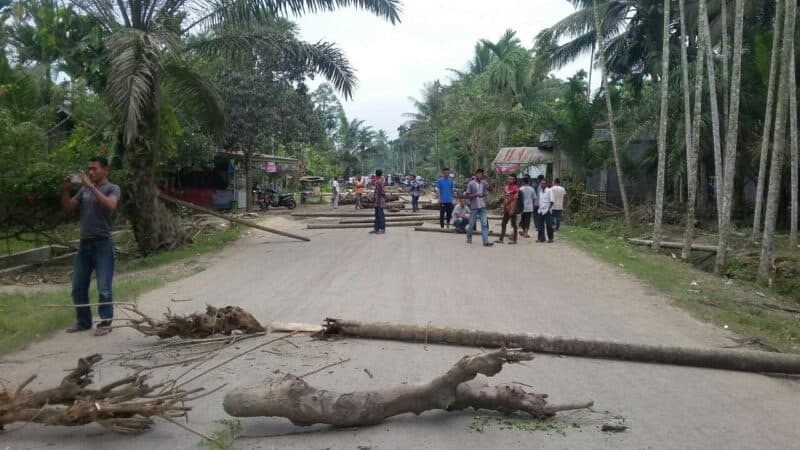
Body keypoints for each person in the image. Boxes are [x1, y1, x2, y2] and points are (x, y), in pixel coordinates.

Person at [61, 156, 121, 336]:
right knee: (78, 286)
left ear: (105, 170)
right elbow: (68, 208)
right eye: (89, 169)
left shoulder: (112, 188)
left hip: (102, 242)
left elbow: (110, 205)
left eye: (94, 169)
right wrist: (65, 191)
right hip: (84, 243)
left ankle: (105, 322)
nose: (90, 172)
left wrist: (91, 187)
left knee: (104, 287)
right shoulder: (83, 190)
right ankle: (83, 321)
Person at [465, 169, 493, 247]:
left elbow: (491, 190)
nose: (480, 175)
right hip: (474, 206)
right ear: (476, 174)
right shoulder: (471, 183)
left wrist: (489, 180)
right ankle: (469, 238)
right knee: (471, 224)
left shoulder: (484, 183)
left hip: (482, 206)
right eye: (479, 174)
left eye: (481, 174)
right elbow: (467, 196)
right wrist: (476, 195)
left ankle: (485, 241)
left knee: (484, 224)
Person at [496, 174, 520, 244]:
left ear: (514, 180)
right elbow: (505, 198)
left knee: (514, 224)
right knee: (503, 223)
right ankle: (501, 239)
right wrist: (503, 208)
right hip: (506, 207)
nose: (510, 180)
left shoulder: (516, 188)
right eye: (509, 178)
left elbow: (515, 199)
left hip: (512, 207)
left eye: (512, 179)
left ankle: (514, 240)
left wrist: (512, 209)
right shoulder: (506, 187)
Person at [536, 178, 555, 243]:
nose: (542, 184)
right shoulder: (540, 191)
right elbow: (540, 200)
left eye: (544, 183)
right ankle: (541, 238)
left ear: (546, 184)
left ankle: (550, 238)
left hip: (548, 211)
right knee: (540, 225)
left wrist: (548, 209)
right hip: (541, 210)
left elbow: (552, 201)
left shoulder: (549, 191)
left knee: (549, 225)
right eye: (541, 183)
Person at [370, 170, 386, 234]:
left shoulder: (380, 181)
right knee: (377, 215)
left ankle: (382, 229)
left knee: (380, 215)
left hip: (379, 201)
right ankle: (376, 228)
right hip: (377, 201)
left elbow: (382, 191)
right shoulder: (379, 181)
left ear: (376, 174)